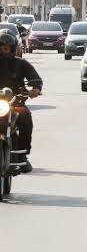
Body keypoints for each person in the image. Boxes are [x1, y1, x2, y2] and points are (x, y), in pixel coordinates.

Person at [0, 30, 42, 173]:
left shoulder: (21, 64)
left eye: (6, 48)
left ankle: (22, 154)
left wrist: (35, 88)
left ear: (12, 49)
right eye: (0, 47)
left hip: (14, 102)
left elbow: (35, 78)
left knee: (25, 117)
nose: (3, 51)